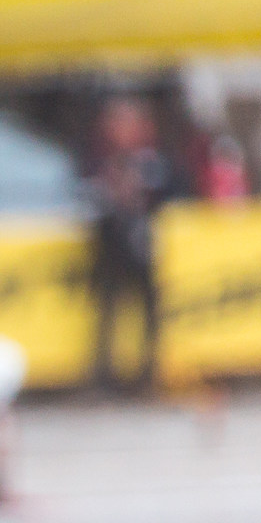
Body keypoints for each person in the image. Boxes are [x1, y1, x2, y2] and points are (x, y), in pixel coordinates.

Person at [87, 97, 172, 392]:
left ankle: (146, 374)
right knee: (107, 314)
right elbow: (89, 203)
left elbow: (168, 196)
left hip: (141, 252)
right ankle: (104, 376)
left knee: (148, 314)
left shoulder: (152, 161)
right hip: (111, 252)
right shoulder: (98, 161)